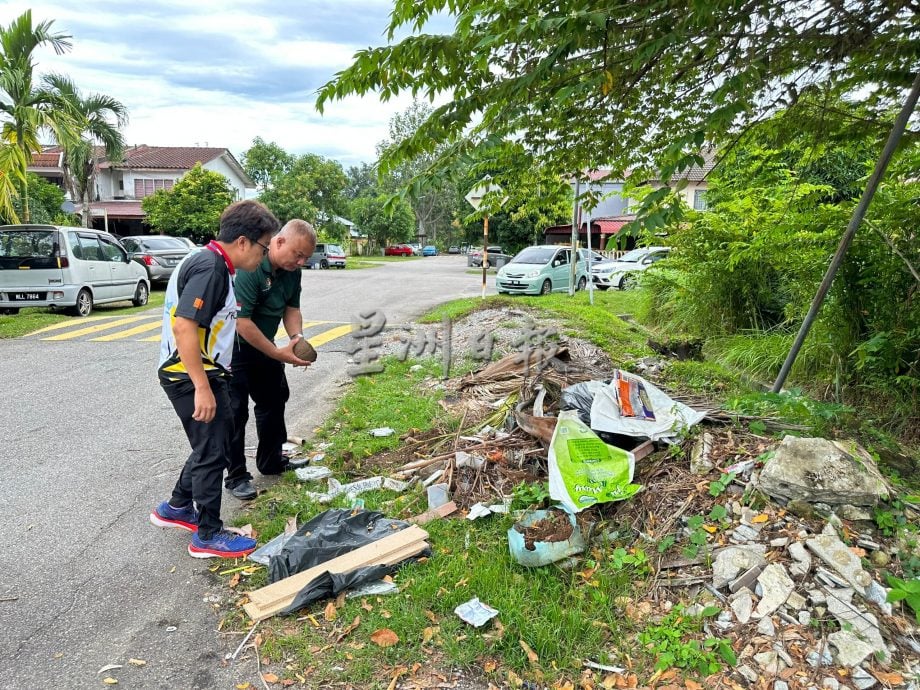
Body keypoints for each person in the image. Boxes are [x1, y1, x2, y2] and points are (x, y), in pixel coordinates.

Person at [149, 200, 281, 558]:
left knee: (213, 444)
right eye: (264, 247)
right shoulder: (211, 268)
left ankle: (177, 506)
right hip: (190, 375)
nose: (264, 256)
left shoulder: (212, 263)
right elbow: (184, 326)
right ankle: (207, 534)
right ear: (243, 242)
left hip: (201, 371)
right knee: (213, 452)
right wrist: (202, 388)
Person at [225, 219, 317, 500]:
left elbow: (291, 309)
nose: (300, 262)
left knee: (275, 399)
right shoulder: (252, 267)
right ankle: (236, 476)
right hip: (234, 348)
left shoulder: (292, 272)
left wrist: (296, 338)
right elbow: (242, 322)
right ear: (279, 242)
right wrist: (277, 353)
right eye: (297, 255)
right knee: (235, 411)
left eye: (305, 258)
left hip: (263, 345)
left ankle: (271, 460)